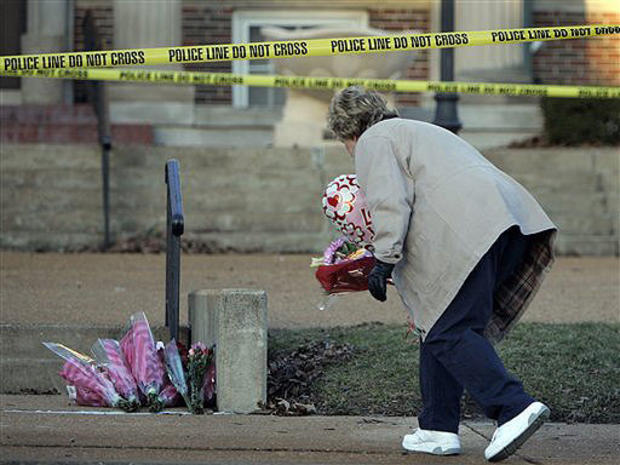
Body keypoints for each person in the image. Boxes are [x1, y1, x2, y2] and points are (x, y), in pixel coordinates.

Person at [327, 86, 557, 462]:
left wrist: (383, 258)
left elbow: (388, 200)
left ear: (347, 130)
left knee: (449, 331)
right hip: (510, 221)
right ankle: (438, 426)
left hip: (470, 230)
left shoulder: (374, 139)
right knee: (438, 322)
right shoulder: (420, 131)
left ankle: (513, 407)